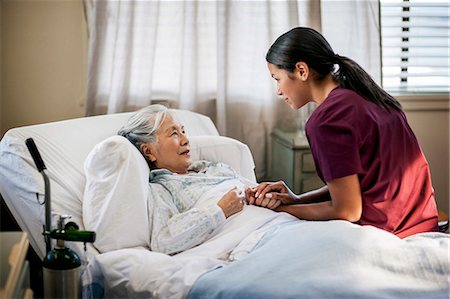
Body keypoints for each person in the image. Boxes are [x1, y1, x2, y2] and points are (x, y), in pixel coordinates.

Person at [247, 27, 438, 238]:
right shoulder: (369, 96)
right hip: (422, 223)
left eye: (277, 78)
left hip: (384, 233)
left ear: (302, 70)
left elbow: (348, 210)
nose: (278, 91)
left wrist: (280, 210)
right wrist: (297, 200)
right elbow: (362, 184)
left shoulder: (327, 120)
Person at [117, 104, 250, 254]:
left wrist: (263, 196)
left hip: (272, 224)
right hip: (247, 243)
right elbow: (163, 241)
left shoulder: (212, 168)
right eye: (174, 134)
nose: (186, 139)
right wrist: (220, 210)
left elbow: (250, 189)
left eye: (183, 131)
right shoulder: (163, 189)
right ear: (149, 152)